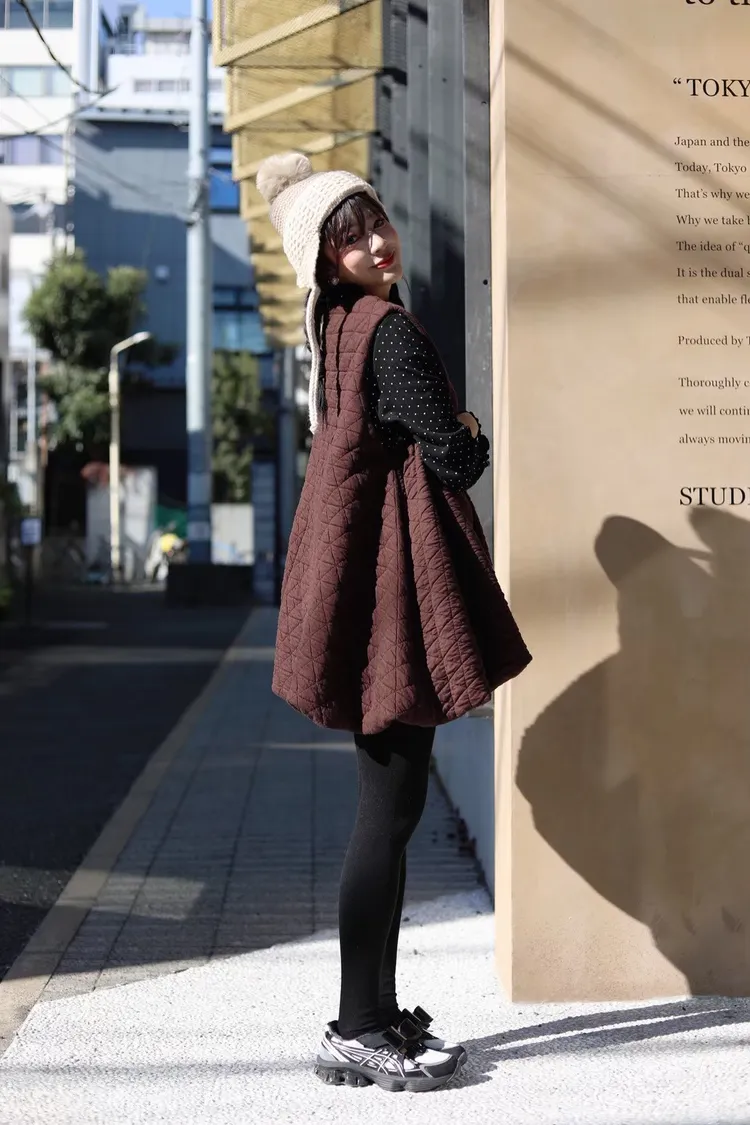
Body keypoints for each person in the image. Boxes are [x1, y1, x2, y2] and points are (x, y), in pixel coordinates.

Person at [256, 152, 532, 1094]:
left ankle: (375, 1010)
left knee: (391, 808)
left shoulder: (335, 330)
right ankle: (359, 1026)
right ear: (324, 258)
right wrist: (471, 428)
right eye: (352, 237)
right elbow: (454, 460)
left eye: (376, 221)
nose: (378, 243)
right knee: (389, 813)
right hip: (393, 603)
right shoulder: (390, 331)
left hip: (361, 591)